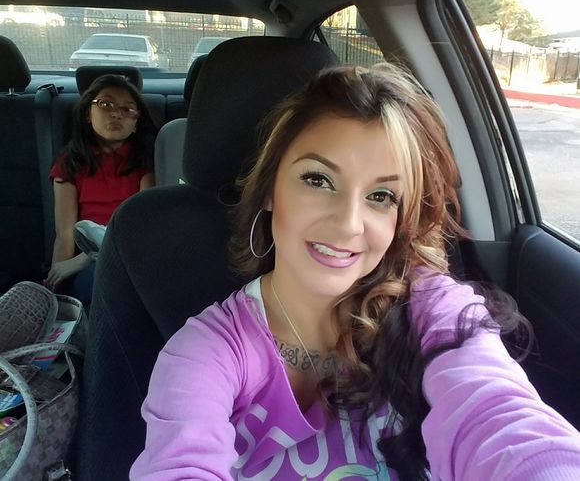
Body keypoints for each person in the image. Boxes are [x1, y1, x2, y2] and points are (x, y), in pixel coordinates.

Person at [130, 65, 580, 480]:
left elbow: (502, 419)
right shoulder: (203, 353)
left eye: (381, 196)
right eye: (318, 180)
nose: (348, 224)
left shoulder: (431, 309)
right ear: (269, 190)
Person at [45, 74, 157, 303]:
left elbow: (143, 230)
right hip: (90, 267)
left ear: (136, 123)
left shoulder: (146, 162)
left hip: (130, 255)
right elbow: (65, 236)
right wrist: (56, 286)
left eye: (128, 110)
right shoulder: (69, 163)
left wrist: (89, 257)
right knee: (99, 280)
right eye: (106, 105)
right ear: (88, 113)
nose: (116, 114)